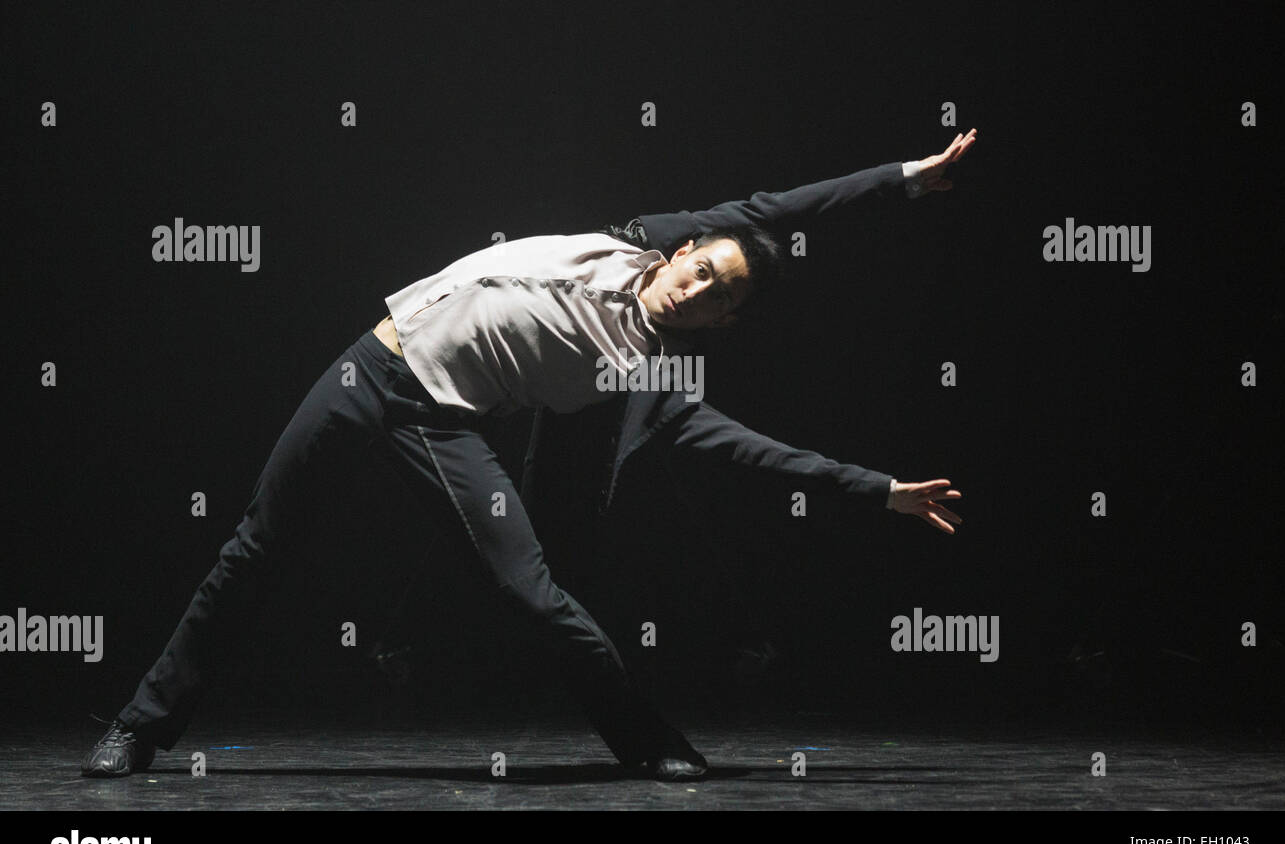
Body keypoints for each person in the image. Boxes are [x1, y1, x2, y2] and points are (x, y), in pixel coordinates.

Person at [80, 131, 975, 782]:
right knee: (253, 550)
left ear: (721, 323)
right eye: (701, 269)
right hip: (369, 369)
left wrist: (877, 490)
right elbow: (785, 206)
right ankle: (137, 729)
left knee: (534, 596)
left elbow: (748, 451)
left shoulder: (641, 378)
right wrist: (901, 179)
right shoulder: (639, 238)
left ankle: (651, 742)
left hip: (442, 422)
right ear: (686, 251)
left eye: (716, 300)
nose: (695, 289)